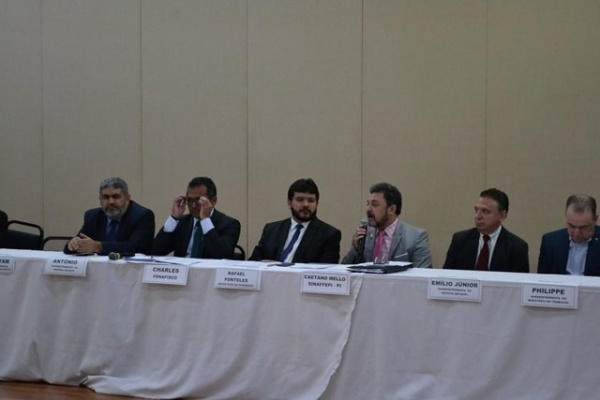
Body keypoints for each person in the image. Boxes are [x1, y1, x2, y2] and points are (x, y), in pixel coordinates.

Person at [249, 178, 341, 264]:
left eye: (311, 200)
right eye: (300, 200)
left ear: (317, 203)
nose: (305, 205)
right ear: (289, 203)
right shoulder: (271, 229)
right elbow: (253, 261)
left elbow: (327, 270)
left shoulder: (329, 235)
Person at [342, 182, 432, 268]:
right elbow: (344, 269)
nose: (368, 209)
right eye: (367, 204)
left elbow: (423, 273)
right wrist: (356, 249)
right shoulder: (363, 233)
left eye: (374, 204)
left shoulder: (416, 237)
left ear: (392, 209)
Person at [152, 177, 240, 259]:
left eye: (199, 200)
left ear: (213, 201)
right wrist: (174, 218)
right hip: (183, 270)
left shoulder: (229, 224)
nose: (193, 206)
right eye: (190, 200)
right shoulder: (182, 222)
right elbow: (155, 252)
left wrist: (205, 220)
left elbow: (222, 255)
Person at [443, 188, 529, 272]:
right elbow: (445, 276)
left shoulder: (517, 247)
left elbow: (520, 280)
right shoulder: (460, 240)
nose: (478, 216)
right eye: (476, 210)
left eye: (485, 211)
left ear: (502, 216)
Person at [65, 177, 155, 255]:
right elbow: (76, 245)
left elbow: (136, 248)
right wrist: (73, 244)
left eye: (116, 197)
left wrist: (99, 247)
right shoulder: (93, 216)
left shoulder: (142, 216)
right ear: (100, 200)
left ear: (128, 198)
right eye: (105, 197)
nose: (111, 202)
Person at [538, 194, 600, 276]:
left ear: (595, 220)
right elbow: (542, 279)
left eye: (583, 227)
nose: (576, 233)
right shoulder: (550, 243)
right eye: (572, 226)